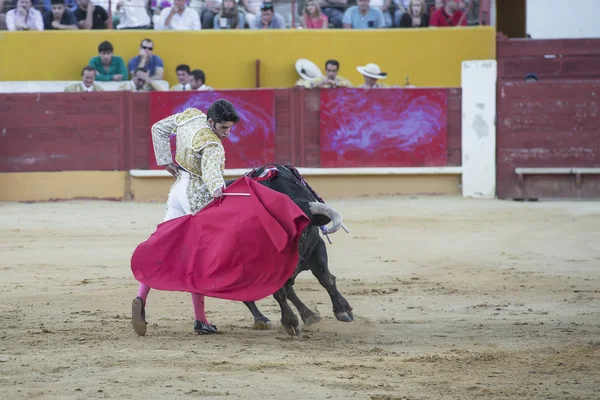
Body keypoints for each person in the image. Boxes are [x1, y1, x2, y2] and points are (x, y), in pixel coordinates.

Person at [132, 99, 241, 336]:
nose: (227, 133)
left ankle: (141, 296)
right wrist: (217, 188)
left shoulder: (190, 116)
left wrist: (165, 161)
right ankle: (200, 319)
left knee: (162, 245)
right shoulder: (212, 144)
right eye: (223, 128)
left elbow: (158, 128)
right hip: (196, 196)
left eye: (230, 128)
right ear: (211, 122)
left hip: (177, 190)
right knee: (198, 257)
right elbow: (212, 175)